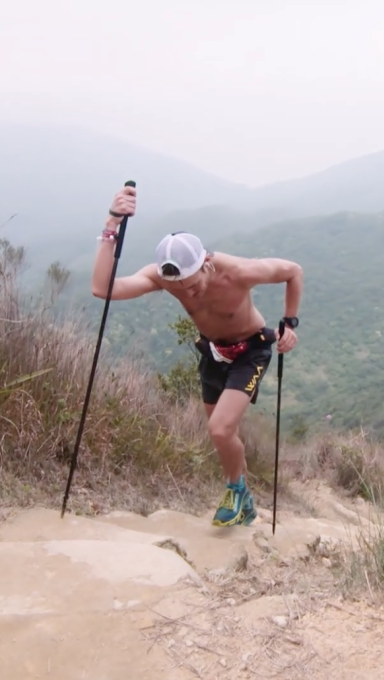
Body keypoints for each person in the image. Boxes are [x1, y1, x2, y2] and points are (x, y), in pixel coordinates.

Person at [90, 183, 303, 527]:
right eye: (180, 287)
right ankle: (244, 497)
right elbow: (103, 289)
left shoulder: (239, 272)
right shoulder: (165, 278)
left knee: (220, 429)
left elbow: (293, 271)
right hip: (213, 353)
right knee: (222, 434)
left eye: (193, 282)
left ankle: (233, 490)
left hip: (253, 348)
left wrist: (290, 323)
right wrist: (111, 223)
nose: (188, 292)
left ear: (205, 262)